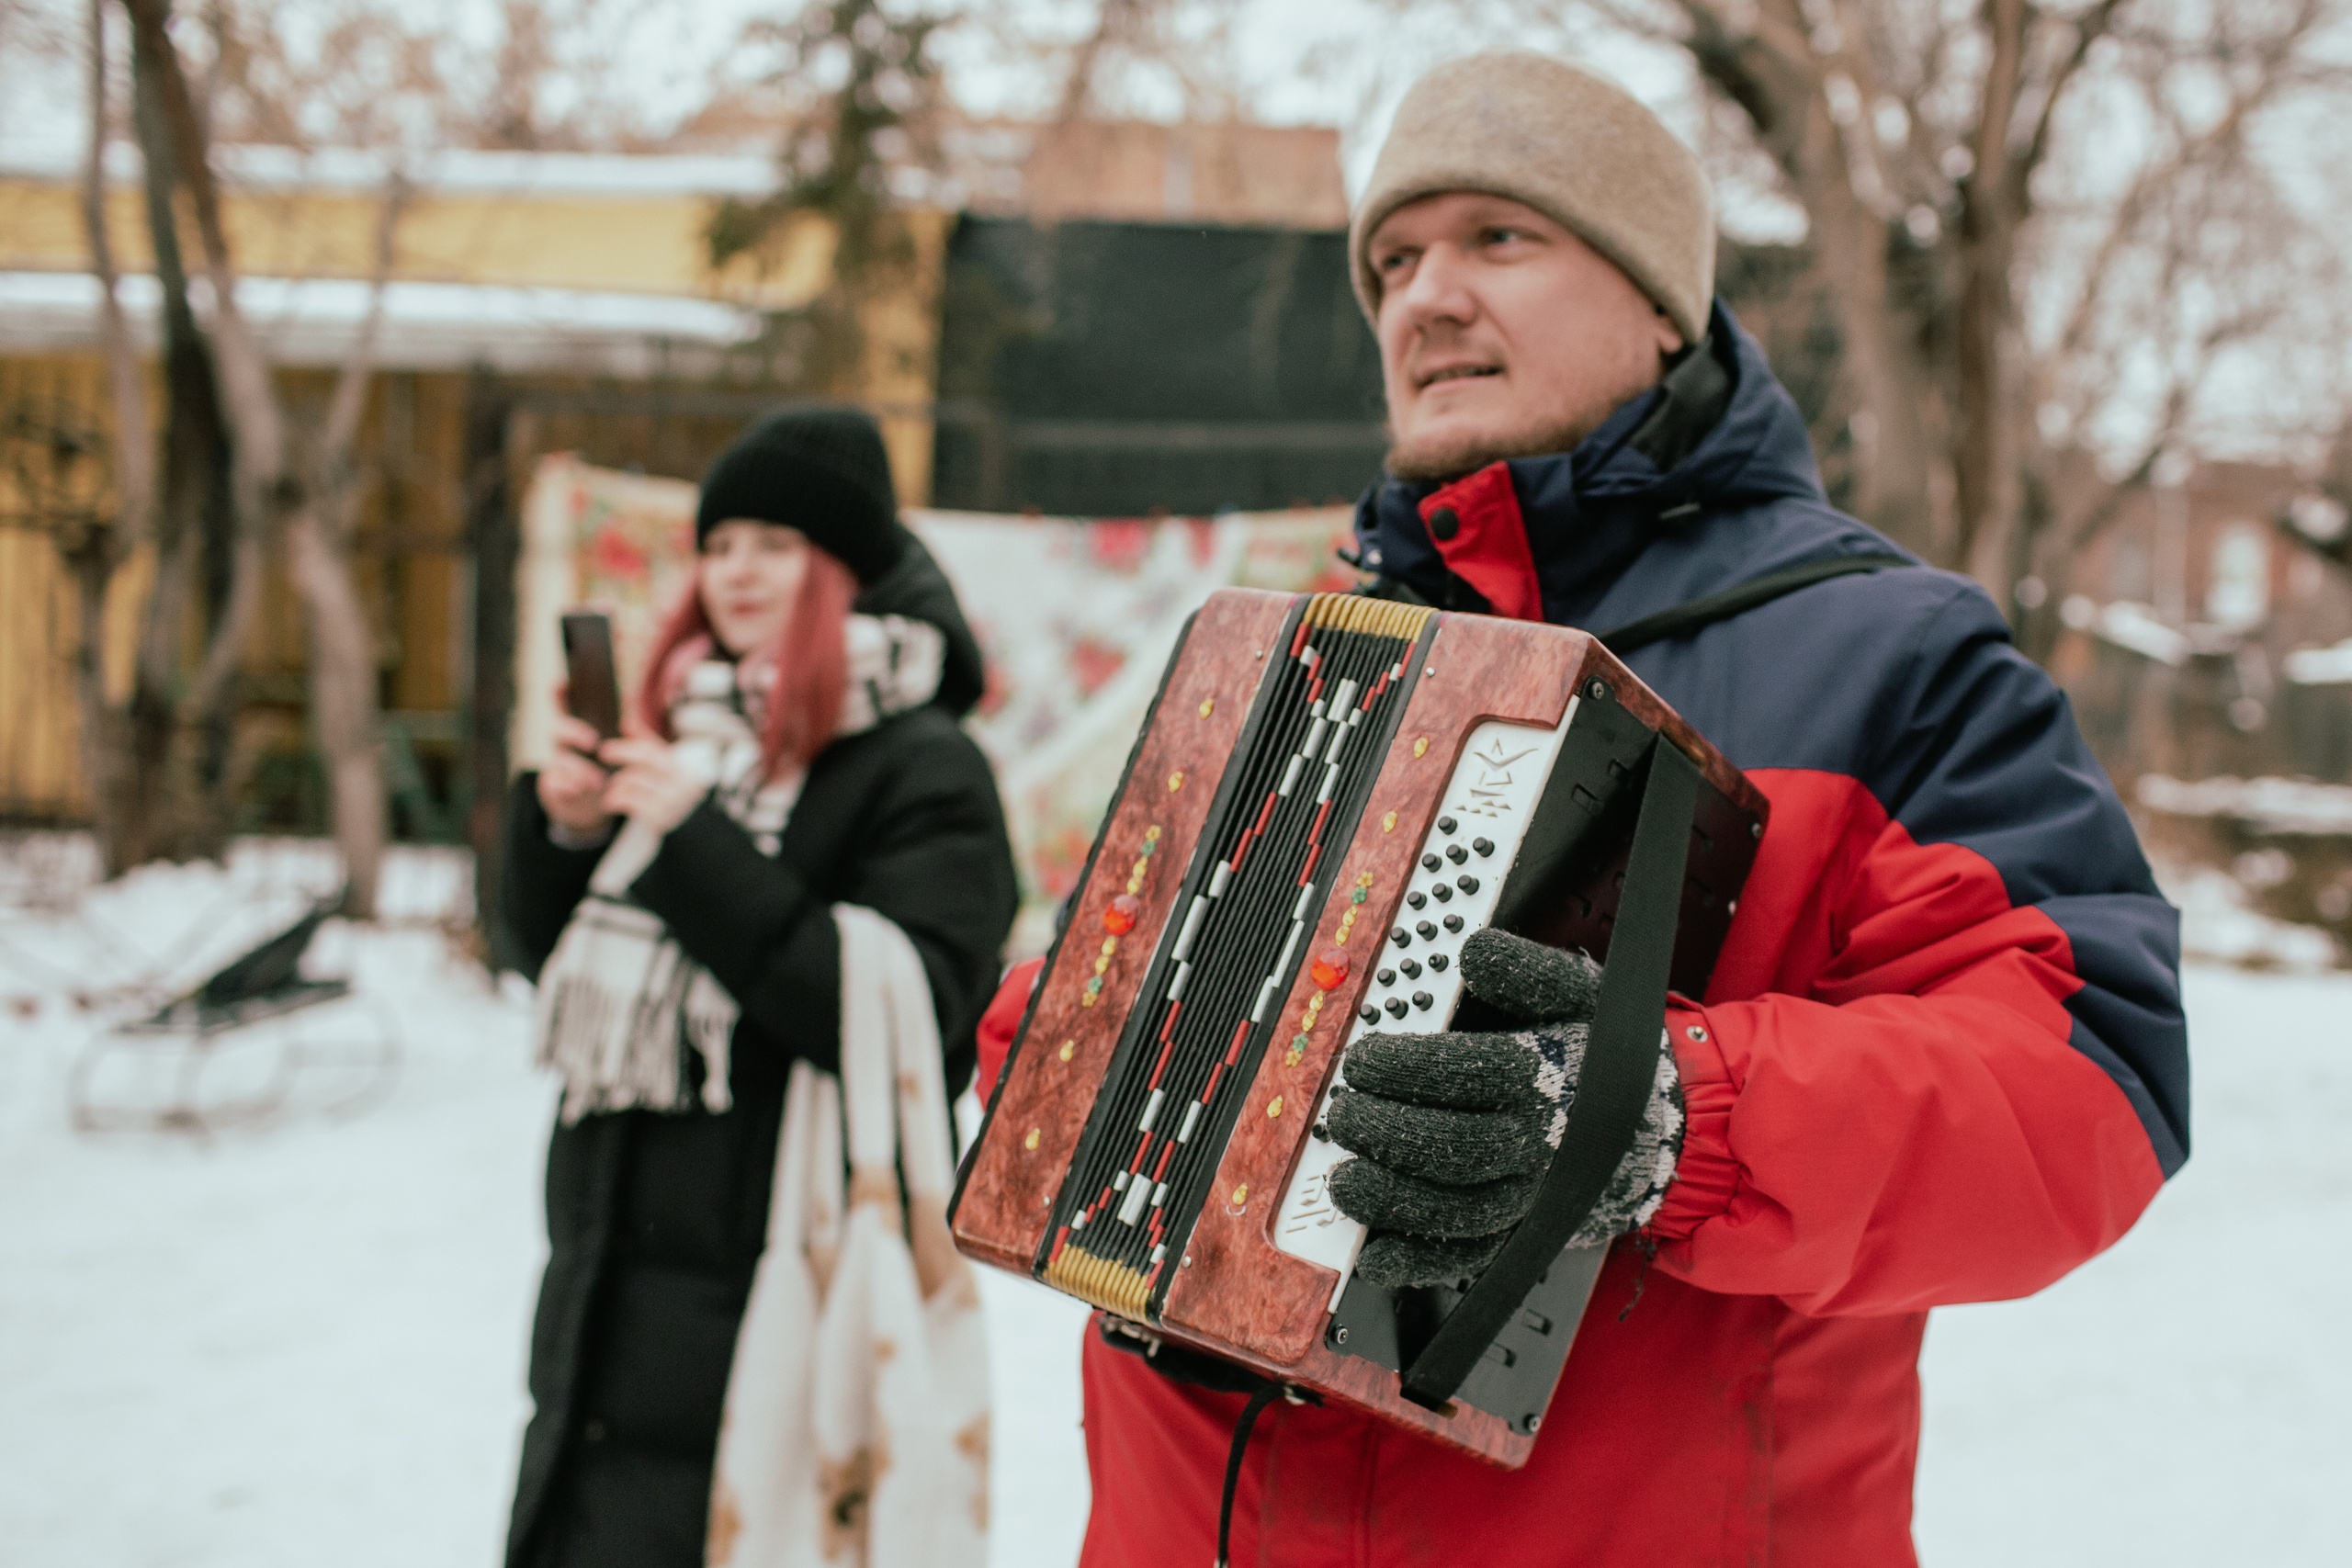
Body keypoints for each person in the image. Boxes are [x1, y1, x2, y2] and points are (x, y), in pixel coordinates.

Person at [971, 51, 2188, 1567]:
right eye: (1396, 260)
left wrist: (1658, 1116)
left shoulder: (1889, 647)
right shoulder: (1297, 650)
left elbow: (2089, 1084)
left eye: (1500, 237)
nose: (1425, 296)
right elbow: (1153, 1016)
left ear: (1660, 303)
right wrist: (1076, 1049)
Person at [501, 406, 1019, 1568]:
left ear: (844, 569)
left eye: (774, 543)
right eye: (720, 541)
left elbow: (906, 1013)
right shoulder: (681, 734)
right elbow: (553, 972)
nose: (735, 571)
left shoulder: (923, 765)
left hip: (782, 1299)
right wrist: (565, 832)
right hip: (605, 1304)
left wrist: (692, 844)